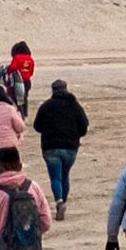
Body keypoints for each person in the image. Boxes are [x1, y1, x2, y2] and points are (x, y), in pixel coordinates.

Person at [32, 78, 89, 221]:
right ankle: (64, 200)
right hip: (70, 148)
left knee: (55, 177)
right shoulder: (75, 106)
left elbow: (37, 126)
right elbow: (84, 126)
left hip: (50, 147)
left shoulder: (46, 106)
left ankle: (59, 201)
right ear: (66, 89)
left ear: (53, 91)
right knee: (65, 175)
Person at [7, 41, 36, 116]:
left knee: (17, 98)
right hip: (27, 81)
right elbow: (31, 72)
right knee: (25, 97)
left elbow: (12, 68)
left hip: (18, 81)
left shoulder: (16, 57)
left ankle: (21, 113)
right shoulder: (30, 59)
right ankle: (25, 113)